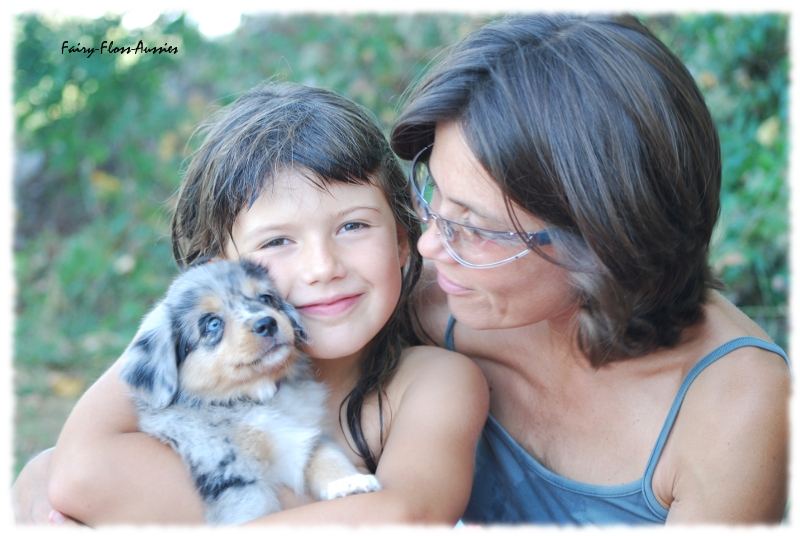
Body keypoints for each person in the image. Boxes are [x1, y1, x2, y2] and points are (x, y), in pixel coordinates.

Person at [11, 82, 489, 525]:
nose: (322, 267)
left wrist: (225, 498)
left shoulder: (431, 382)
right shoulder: (194, 389)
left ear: (403, 244)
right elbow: (80, 474)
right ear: (219, 271)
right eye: (278, 241)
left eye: (352, 226)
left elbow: (407, 517)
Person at [388, 13, 790, 524]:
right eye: (435, 193)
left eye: (480, 229)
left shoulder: (734, 408)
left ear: (607, 242)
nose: (429, 244)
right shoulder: (432, 297)